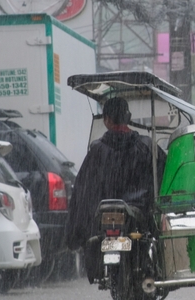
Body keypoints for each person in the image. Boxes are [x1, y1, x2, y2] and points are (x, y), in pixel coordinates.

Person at [65, 97, 165, 283]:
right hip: (138, 215)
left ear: (107, 120)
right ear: (128, 117)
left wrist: (76, 233)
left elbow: (83, 191)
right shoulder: (146, 147)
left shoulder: (96, 152)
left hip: (107, 217)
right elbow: (163, 177)